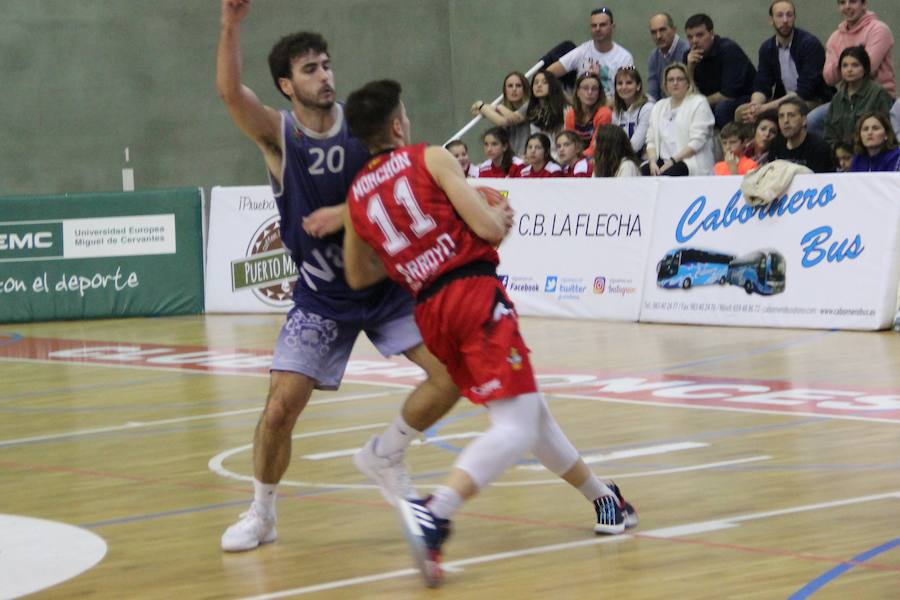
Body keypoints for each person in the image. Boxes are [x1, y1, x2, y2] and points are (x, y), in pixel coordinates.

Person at [343, 79, 638, 587]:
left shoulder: (356, 195)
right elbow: (488, 229)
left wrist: (412, 252)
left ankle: (604, 500)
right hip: (471, 292)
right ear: (396, 124)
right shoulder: (429, 158)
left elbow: (358, 276)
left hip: (430, 310)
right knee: (516, 426)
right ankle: (435, 515)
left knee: (528, 412)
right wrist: (497, 215)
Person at [215, 0, 459, 552]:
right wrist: (230, 25)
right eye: (310, 69)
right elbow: (231, 95)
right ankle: (262, 513)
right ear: (285, 84)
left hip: (387, 287)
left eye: (326, 65)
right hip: (323, 296)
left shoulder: (363, 125)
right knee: (279, 407)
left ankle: (388, 453)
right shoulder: (280, 136)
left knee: (452, 375)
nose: (324, 76)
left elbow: (406, 170)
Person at [737, 1, 832, 126]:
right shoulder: (767, 48)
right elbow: (762, 84)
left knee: (788, 111)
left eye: (789, 15)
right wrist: (755, 105)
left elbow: (804, 92)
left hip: (812, 100)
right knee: (742, 113)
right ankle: (753, 145)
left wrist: (765, 108)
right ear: (771, 20)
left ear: (794, 18)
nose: (785, 20)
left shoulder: (809, 44)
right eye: (780, 15)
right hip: (784, 99)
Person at [809, 0, 896, 135]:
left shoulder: (878, 29)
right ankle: (839, 155)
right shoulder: (835, 37)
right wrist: (851, 55)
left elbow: (867, 68)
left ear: (864, 4)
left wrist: (844, 57)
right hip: (846, 99)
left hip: (878, 98)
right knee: (812, 121)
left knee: (860, 129)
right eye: (842, 3)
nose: (847, 6)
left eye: (853, 1)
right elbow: (829, 78)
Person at [684, 13, 757, 129]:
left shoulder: (728, 50)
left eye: (699, 35)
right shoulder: (689, 57)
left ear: (711, 34)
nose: (694, 41)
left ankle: (730, 143)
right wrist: (690, 69)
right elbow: (687, 94)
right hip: (710, 102)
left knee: (722, 108)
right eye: (690, 37)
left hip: (744, 98)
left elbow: (727, 95)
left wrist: (698, 104)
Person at [643, 62, 716, 176]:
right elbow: (651, 140)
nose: (675, 83)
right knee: (643, 172)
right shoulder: (659, 106)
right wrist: (652, 162)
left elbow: (697, 141)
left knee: (671, 173)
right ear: (665, 84)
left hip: (688, 161)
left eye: (680, 79)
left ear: (688, 83)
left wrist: (672, 161)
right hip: (663, 160)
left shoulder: (699, 103)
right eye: (671, 80)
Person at [546, 7, 635, 99]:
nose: (597, 29)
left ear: (612, 27)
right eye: (594, 25)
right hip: (582, 110)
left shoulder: (624, 57)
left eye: (602, 25)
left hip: (611, 109)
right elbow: (548, 74)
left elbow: (627, 94)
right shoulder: (582, 51)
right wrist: (566, 100)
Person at [824, 45, 894, 147]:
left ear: (865, 69)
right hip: (843, 157)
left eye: (855, 65)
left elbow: (888, 130)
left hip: (872, 153)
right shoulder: (837, 99)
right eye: (845, 65)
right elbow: (829, 135)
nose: (849, 70)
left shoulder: (878, 94)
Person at [471, 71, 532, 156]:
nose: (514, 89)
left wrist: (482, 105)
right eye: (510, 86)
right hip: (510, 159)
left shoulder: (530, 104)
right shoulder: (504, 109)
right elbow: (475, 111)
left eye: (518, 86)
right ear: (505, 90)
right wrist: (485, 108)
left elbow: (507, 120)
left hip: (527, 158)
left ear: (525, 89)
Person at [769, 98, 835, 172]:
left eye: (791, 115)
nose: (785, 121)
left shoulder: (819, 147)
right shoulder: (775, 144)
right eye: (781, 116)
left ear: (804, 120)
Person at [563, 73, 612, 158]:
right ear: (577, 92)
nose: (589, 92)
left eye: (594, 89)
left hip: (598, 158)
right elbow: (569, 143)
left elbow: (595, 148)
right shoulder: (571, 114)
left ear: (599, 93)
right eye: (585, 88)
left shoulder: (604, 113)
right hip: (576, 158)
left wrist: (575, 159)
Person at [612, 66, 655, 158]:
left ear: (638, 86)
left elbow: (636, 145)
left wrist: (611, 157)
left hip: (644, 161)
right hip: (622, 158)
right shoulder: (616, 111)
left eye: (629, 83)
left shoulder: (647, 108)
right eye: (620, 83)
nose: (624, 87)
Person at [647, 13, 690, 101]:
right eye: (654, 32)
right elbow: (652, 94)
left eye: (662, 30)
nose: (658, 36)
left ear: (674, 29)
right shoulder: (653, 57)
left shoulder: (688, 51)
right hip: (663, 108)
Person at [526, 71, 569, 157]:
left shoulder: (564, 110)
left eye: (544, 82)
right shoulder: (533, 112)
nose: (539, 85)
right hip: (543, 156)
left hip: (563, 155)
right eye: (536, 82)